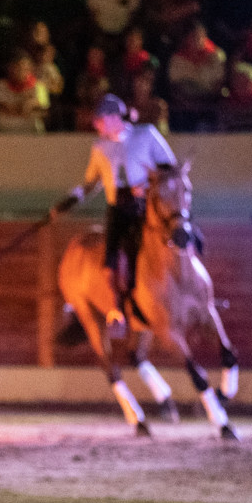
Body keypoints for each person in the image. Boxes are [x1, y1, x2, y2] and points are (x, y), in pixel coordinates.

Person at [54, 93, 178, 337]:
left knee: (173, 238)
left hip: (146, 207)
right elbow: (91, 183)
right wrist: (68, 201)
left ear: (113, 118)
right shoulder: (100, 147)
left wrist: (146, 186)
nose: (95, 125)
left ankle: (186, 292)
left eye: (99, 120)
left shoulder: (146, 135)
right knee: (111, 256)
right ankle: (116, 310)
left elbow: (169, 168)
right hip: (118, 208)